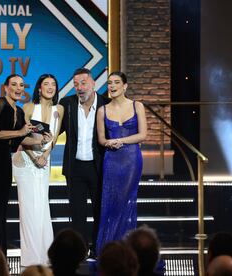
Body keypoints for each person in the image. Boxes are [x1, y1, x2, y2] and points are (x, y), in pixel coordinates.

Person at [0, 74, 52, 255]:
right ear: (6, 87)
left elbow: (23, 140)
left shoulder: (20, 112)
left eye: (22, 85)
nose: (18, 88)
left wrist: (42, 141)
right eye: (14, 84)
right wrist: (21, 133)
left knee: (1, 209)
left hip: (3, 162)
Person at [12, 74, 64, 267]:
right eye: (46, 84)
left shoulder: (59, 110)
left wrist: (44, 156)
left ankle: (44, 254)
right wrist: (35, 157)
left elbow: (54, 137)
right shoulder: (28, 107)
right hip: (26, 160)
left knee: (42, 206)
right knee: (27, 208)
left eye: (53, 84)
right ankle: (30, 256)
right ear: (39, 88)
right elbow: (21, 136)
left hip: (44, 161)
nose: (50, 87)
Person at [59, 68, 109, 256]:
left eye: (83, 83)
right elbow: (54, 131)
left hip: (99, 168)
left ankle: (98, 249)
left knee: (99, 211)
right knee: (77, 215)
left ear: (93, 83)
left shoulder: (106, 104)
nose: (79, 88)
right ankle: (80, 252)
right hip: (75, 168)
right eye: (76, 84)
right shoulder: (67, 104)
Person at [96, 71, 147, 254]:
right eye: (110, 83)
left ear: (125, 86)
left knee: (126, 200)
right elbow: (101, 139)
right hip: (111, 159)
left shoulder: (137, 106)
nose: (112, 86)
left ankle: (124, 247)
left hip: (131, 159)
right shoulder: (102, 110)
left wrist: (122, 141)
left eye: (117, 82)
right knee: (110, 202)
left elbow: (143, 135)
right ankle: (110, 247)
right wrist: (109, 142)